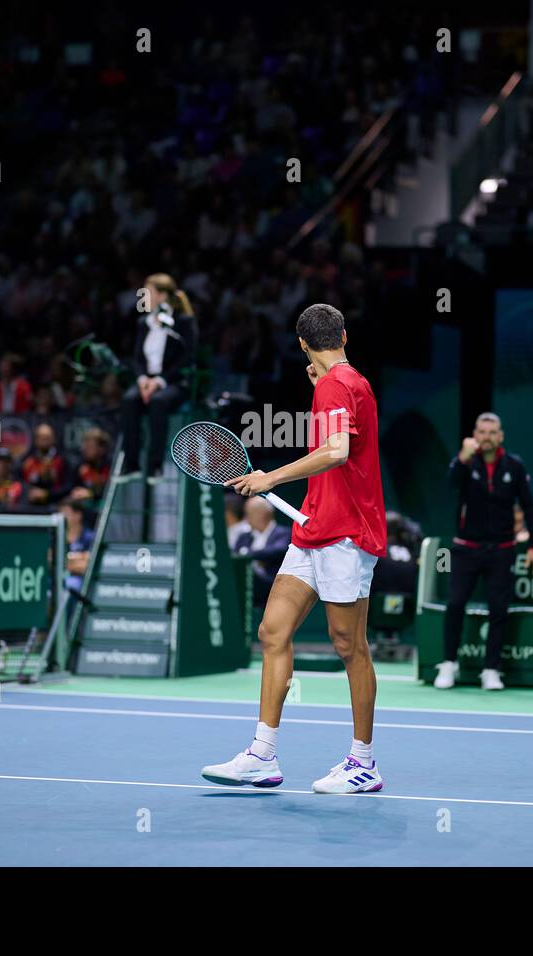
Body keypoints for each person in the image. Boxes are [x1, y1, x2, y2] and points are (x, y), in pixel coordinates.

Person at [204, 303, 387, 794]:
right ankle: (262, 755)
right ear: (344, 336)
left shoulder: (336, 387)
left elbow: (336, 452)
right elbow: (339, 441)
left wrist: (269, 477)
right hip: (313, 529)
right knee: (273, 630)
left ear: (302, 344)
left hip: (347, 534)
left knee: (350, 646)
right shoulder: (345, 385)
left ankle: (363, 762)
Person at [434, 412, 533, 693]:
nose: (487, 437)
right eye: (482, 432)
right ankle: (448, 664)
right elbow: (450, 484)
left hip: (502, 550)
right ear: (474, 435)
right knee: (455, 604)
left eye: (492, 432)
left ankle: (491, 670)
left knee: (498, 610)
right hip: (466, 549)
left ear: (500, 436)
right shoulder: (466, 462)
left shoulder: (514, 466)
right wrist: (462, 457)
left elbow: (530, 507)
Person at [119, 273, 197, 475]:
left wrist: (160, 381)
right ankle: (132, 465)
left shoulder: (183, 322)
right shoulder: (144, 323)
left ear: (162, 295)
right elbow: (136, 358)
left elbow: (187, 358)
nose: (143, 296)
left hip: (174, 382)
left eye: (148, 292)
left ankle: (155, 466)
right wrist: (143, 380)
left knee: (158, 402)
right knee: (129, 400)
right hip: (146, 381)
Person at [233, 497, 292, 607]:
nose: (246, 518)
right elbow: (235, 557)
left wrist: (248, 555)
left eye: (249, 514)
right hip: (246, 586)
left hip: (272, 586)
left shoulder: (283, 533)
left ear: (264, 514)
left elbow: (278, 551)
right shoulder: (244, 537)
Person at [22, 423, 70, 505]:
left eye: (47, 438)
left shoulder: (62, 461)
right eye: (41, 437)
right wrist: (30, 492)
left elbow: (67, 486)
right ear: (36, 440)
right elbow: (22, 483)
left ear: (53, 439)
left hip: (55, 503)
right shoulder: (28, 461)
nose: (44, 441)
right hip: (30, 505)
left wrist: (47, 494)